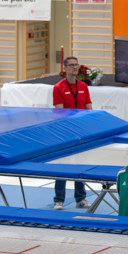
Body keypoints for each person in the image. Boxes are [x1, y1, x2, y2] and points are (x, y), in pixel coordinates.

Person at [52, 56, 92, 210]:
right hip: (65, 131)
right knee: (63, 165)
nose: (74, 68)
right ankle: (59, 200)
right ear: (65, 68)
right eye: (71, 65)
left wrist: (93, 124)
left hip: (81, 131)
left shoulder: (83, 86)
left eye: (76, 65)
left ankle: (80, 199)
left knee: (80, 164)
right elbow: (60, 112)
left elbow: (89, 108)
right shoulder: (58, 88)